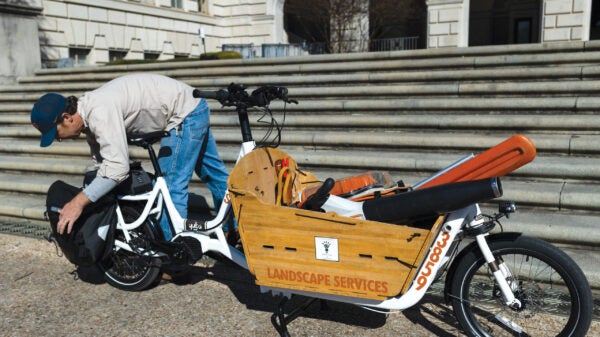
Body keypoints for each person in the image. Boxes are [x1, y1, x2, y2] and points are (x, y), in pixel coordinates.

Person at [30, 73, 233, 241]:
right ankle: (236, 231)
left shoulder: (99, 112)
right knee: (215, 175)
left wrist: (78, 202)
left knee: (170, 187)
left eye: (55, 133)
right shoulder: (88, 115)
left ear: (67, 118)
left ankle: (173, 259)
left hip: (183, 113)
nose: (57, 140)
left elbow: (118, 168)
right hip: (193, 104)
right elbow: (103, 165)